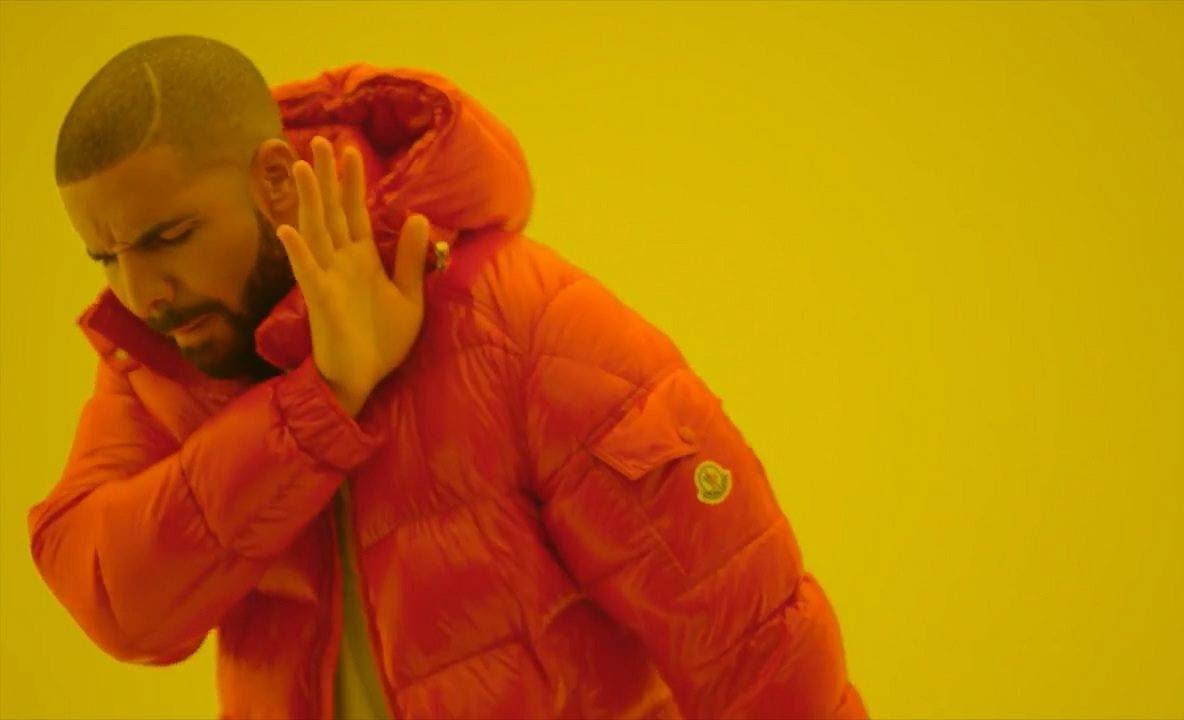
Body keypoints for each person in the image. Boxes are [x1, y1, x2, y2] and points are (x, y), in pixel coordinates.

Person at [28, 34, 871, 720]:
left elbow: (753, 646)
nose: (142, 291)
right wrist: (319, 402)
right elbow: (121, 608)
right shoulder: (169, 356)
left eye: (169, 238)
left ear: (276, 180)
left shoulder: (522, 324)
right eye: (105, 257)